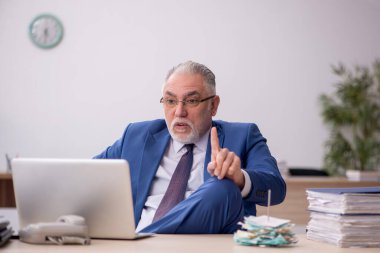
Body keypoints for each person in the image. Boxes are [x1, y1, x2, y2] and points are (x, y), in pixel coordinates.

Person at [95, 61, 286, 234]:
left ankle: (147, 240)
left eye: (192, 101)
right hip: (135, 233)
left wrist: (240, 179)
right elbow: (86, 175)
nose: (179, 112)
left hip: (208, 241)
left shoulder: (243, 135)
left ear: (213, 105)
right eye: (170, 101)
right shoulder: (137, 135)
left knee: (223, 188)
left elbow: (276, 190)